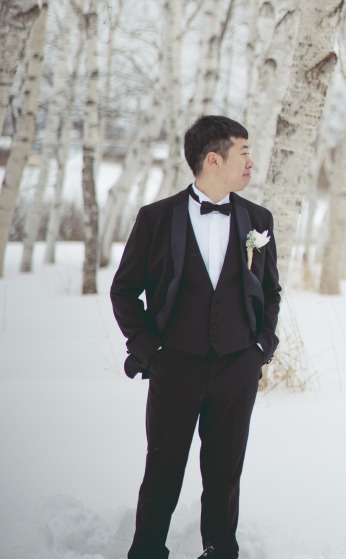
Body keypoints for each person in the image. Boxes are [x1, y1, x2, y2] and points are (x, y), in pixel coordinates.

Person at [110, 115, 281, 559]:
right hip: (175, 365)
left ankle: (221, 550)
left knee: (225, 473)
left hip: (236, 366)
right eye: (243, 151)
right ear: (212, 158)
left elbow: (270, 292)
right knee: (163, 468)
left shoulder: (258, 220)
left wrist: (261, 348)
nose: (250, 161)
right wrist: (151, 351)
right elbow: (124, 292)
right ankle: (147, 550)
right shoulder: (156, 218)